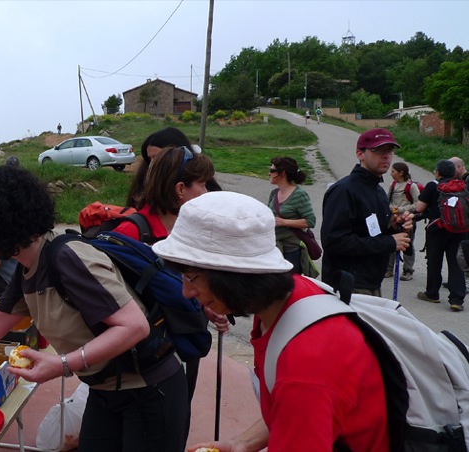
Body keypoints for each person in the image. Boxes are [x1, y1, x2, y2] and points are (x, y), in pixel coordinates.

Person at [0, 165, 189, 451]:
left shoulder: (66, 258)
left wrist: (61, 364)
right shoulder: (28, 268)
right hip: (105, 392)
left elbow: (135, 326)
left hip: (151, 393)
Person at [151, 191, 389, 451]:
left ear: (232, 277)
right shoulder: (288, 302)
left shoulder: (304, 364)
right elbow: (289, 407)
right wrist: (242, 443)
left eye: (191, 277)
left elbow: (298, 396)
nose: (186, 292)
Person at [115, 146, 229, 405]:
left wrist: (206, 304)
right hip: (141, 368)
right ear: (180, 189)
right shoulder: (129, 233)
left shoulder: (187, 231)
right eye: (202, 184)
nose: (207, 192)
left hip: (182, 350)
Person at [321, 128, 412, 296]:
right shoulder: (344, 190)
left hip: (371, 283)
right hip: (347, 286)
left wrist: (394, 226)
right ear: (360, 154)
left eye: (389, 151)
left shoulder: (377, 190)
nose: (386, 156)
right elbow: (333, 242)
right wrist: (389, 242)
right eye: (378, 150)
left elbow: (372, 232)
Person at [126, 127, 221, 208]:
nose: (152, 164)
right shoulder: (143, 183)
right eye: (150, 158)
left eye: (157, 157)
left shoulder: (205, 189)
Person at [416, 159, 466, 311]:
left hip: (437, 229)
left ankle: (432, 293)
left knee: (434, 261)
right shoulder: (463, 186)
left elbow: (419, 208)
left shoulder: (432, 185)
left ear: (437, 172)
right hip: (459, 230)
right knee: (456, 263)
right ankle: (456, 299)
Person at [267, 156, 317, 276]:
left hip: (291, 250)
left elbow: (310, 221)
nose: (269, 174)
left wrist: (283, 222)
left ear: (282, 173)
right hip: (275, 247)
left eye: (272, 171)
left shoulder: (299, 195)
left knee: (291, 284)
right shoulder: (274, 193)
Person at [385, 162, 420, 281]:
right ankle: (388, 269)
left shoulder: (412, 186)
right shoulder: (393, 184)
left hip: (406, 219)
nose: (391, 174)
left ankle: (407, 270)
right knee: (391, 243)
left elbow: (417, 204)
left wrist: (401, 209)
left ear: (401, 173)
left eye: (393, 171)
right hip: (393, 219)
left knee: (407, 245)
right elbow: (387, 199)